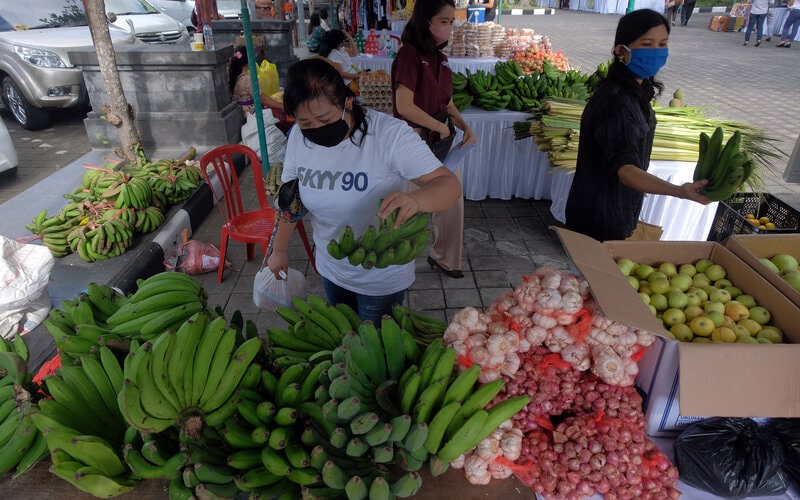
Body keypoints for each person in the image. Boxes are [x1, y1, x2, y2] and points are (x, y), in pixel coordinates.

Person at [266, 58, 462, 323]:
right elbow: (292, 197)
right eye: (307, 123)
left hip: (380, 274)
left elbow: (449, 185)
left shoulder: (390, 135)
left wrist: (416, 201)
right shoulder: (300, 139)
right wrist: (279, 249)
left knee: (375, 346)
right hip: (331, 266)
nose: (317, 129)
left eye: (325, 118)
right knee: (344, 336)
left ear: (347, 102)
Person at [564, 9, 710, 242]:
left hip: (618, 206)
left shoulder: (637, 91)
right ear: (621, 50)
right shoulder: (615, 102)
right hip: (600, 217)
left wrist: (639, 179)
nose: (657, 51)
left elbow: (626, 155)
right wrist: (678, 191)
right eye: (647, 44)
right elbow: (626, 170)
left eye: (662, 43)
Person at [392, 0, 477, 279]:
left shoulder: (440, 58)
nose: (449, 27)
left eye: (452, 22)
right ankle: (394, 263)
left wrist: (464, 125)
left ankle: (445, 258)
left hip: (442, 139)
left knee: (453, 199)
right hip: (414, 140)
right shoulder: (409, 55)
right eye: (444, 21)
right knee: (409, 205)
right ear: (426, 22)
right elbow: (404, 106)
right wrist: (438, 127)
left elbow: (447, 101)